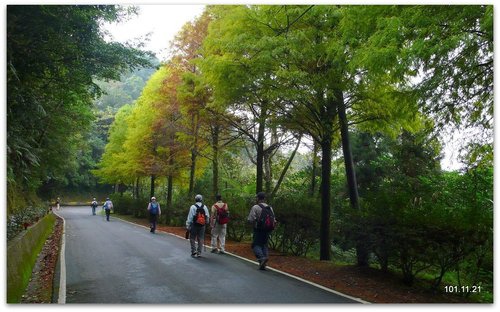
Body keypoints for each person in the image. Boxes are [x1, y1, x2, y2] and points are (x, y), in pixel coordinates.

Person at [247, 192, 276, 270]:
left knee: (255, 245)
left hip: (258, 229)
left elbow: (250, 219)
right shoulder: (270, 207)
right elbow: (273, 219)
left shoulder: (255, 207)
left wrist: (252, 224)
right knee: (264, 244)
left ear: (258, 198)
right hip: (268, 229)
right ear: (264, 198)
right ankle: (263, 262)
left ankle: (262, 258)